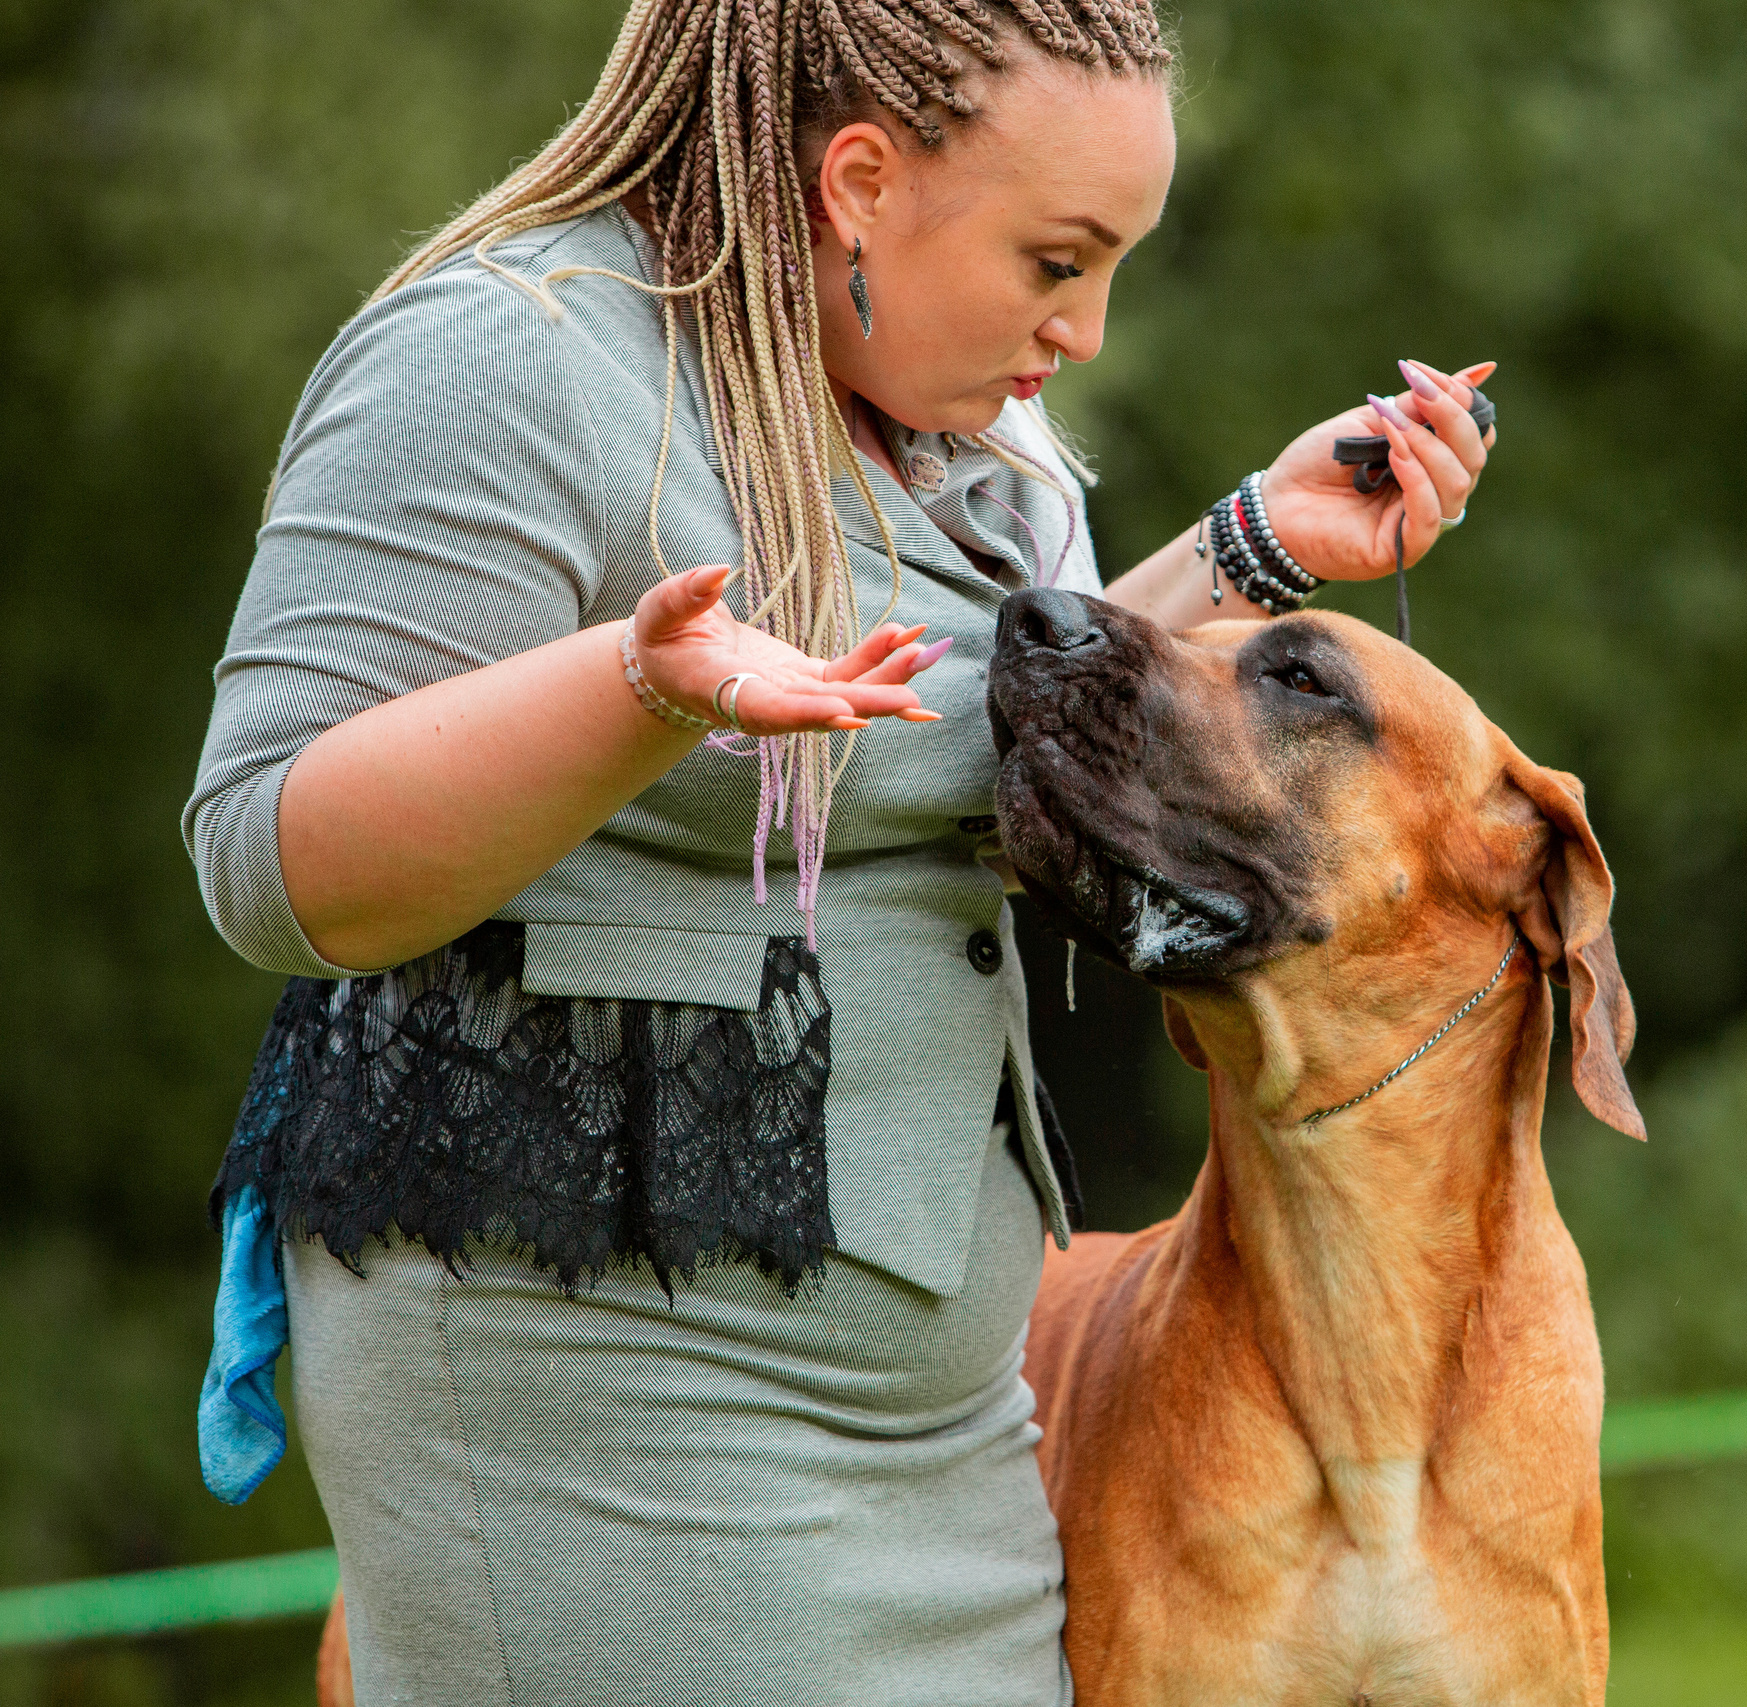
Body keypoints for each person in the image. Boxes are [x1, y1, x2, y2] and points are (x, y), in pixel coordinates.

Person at [182, 2, 1498, 1699]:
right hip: (601, 1388)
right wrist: (636, 690)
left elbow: (975, 735)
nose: (1084, 330)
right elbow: (269, 855)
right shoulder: (505, 352)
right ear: (861, 181)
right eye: (1057, 258)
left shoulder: (980, 434)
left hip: (942, 1422)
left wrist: (1249, 546)